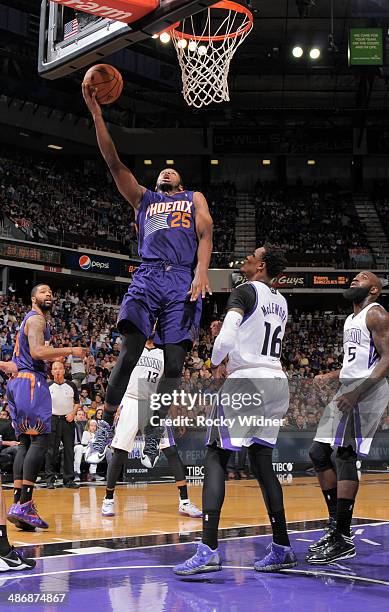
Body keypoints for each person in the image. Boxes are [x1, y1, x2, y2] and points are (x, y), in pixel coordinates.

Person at [82, 85, 213, 469]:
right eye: (163, 170)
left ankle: (155, 429)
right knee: (131, 349)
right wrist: (97, 115)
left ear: (181, 184)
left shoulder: (194, 198)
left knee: (174, 364)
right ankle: (106, 421)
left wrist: (201, 273)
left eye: (174, 171)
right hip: (149, 275)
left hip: (183, 279)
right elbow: (113, 162)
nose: (168, 170)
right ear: (157, 183)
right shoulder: (144, 199)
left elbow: (206, 234)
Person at [173, 245, 297, 575]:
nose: (246, 259)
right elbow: (251, 336)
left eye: (252, 257)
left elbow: (227, 337)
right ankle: (282, 546)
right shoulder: (281, 301)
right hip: (276, 381)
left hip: (246, 382)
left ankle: (209, 548)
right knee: (261, 462)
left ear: (262, 265)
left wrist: (215, 361)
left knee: (216, 454)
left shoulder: (244, 290)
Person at [307, 271, 389, 564]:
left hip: (368, 390)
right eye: (353, 278)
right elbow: (355, 363)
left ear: (375, 290)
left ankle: (342, 536)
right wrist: (330, 375)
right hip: (349, 387)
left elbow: (387, 358)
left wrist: (358, 392)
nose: (355, 280)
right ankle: (335, 527)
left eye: (363, 278)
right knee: (318, 452)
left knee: (344, 455)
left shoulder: (376, 314)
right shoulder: (350, 319)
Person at [5, 284, 86, 530]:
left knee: (26, 443)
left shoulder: (30, 321)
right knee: (40, 441)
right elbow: (39, 352)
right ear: (32, 299)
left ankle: (18, 503)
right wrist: (71, 350)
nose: (48, 294)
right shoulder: (37, 320)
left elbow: (21, 359)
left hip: (20, 383)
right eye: (43, 292)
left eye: (51, 291)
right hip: (31, 382)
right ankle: (25, 504)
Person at [90, 338, 202, 518]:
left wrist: (172, 413)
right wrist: (114, 405)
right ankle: (108, 500)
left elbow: (168, 387)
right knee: (119, 452)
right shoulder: (133, 346)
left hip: (153, 404)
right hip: (131, 400)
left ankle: (185, 502)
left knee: (171, 451)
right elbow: (119, 377)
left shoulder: (164, 352)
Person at [45, 361, 81, 489]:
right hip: (52, 420)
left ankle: (69, 479)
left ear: (64, 371)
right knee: (51, 451)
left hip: (68, 420)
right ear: (52, 371)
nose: (58, 370)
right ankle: (50, 479)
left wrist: (73, 413)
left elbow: (77, 402)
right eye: (55, 368)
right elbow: (42, 404)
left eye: (60, 368)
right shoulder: (47, 386)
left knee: (69, 451)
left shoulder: (71, 385)